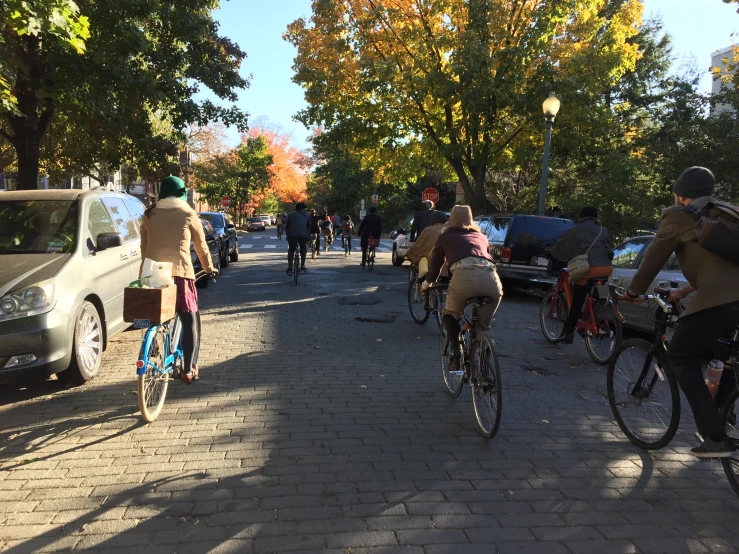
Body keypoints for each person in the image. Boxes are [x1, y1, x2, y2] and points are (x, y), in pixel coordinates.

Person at [624, 166, 739, 457]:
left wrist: (634, 291)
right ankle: (723, 413)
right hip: (729, 299)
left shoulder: (678, 215)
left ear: (681, 194)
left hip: (721, 300)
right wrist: (684, 292)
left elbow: (654, 256)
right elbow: (719, 266)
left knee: (680, 356)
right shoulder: (729, 212)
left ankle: (715, 438)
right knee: (724, 355)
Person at [139, 176, 216, 384]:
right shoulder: (188, 213)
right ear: (182, 192)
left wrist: (143, 274)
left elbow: (144, 248)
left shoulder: (149, 214)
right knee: (188, 318)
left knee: (156, 312)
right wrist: (209, 268)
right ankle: (189, 369)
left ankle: (154, 344)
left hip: (153, 273)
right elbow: (201, 246)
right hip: (180, 273)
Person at [423, 205, 503, 371]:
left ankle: (456, 354)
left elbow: (436, 263)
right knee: (484, 326)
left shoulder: (445, 236)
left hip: (463, 278)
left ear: (450, 220)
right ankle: (484, 365)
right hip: (492, 280)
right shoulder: (481, 236)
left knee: (450, 315)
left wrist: (427, 284)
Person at [550, 206, 614, 344]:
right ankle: (595, 309)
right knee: (591, 292)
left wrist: (551, 254)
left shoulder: (576, 229)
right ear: (596, 218)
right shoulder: (603, 231)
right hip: (606, 268)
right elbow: (609, 250)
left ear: (581, 217)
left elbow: (562, 245)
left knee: (578, 299)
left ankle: (569, 332)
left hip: (588, 269)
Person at [285, 202, 311, 274]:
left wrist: (288, 235)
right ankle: (302, 265)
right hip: (303, 234)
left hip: (292, 234)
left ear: (296, 209)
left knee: (291, 249)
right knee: (303, 248)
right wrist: (308, 236)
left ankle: (290, 266)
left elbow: (287, 226)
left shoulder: (290, 215)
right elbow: (308, 227)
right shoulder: (307, 215)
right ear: (304, 209)